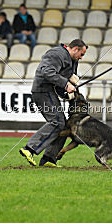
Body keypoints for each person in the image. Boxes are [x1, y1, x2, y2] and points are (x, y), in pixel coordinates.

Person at [19, 39, 88, 167]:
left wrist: (69, 88)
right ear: (75, 49)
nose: (81, 58)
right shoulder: (57, 54)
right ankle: (29, 149)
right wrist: (66, 84)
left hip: (50, 91)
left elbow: (64, 81)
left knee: (63, 125)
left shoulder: (73, 60)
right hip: (42, 91)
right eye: (81, 54)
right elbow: (47, 72)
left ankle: (49, 159)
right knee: (57, 122)